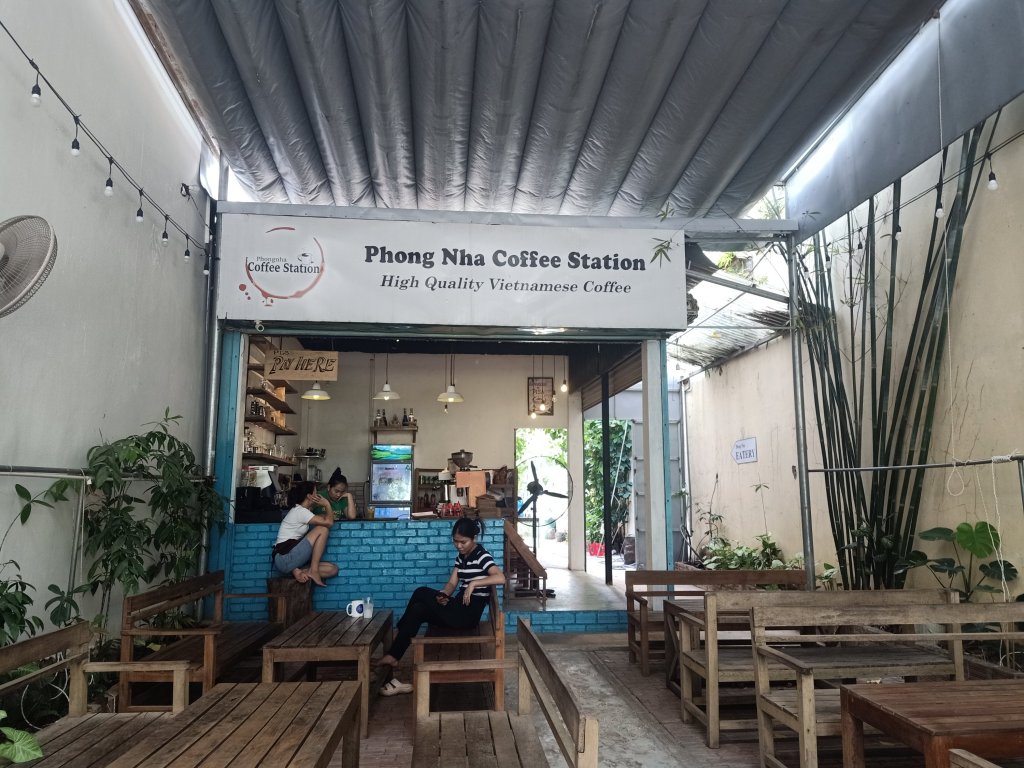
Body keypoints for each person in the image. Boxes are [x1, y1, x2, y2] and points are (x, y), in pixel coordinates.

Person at [375, 517, 505, 696]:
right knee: (418, 610)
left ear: (473, 538)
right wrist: (444, 595)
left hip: (467, 616)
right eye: (455, 541)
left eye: (463, 542)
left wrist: (474, 583)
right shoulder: (462, 556)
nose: (459, 546)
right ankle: (394, 656)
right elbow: (451, 584)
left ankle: (399, 633)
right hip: (457, 607)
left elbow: (500, 577)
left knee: (421, 592)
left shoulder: (482, 555)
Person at [272, 480, 338, 587]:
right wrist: (327, 504)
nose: (318, 495)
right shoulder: (300, 511)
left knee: (332, 569)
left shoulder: (303, 511)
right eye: (316, 493)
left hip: (290, 558)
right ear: (309, 496)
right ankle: (313, 571)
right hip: (284, 558)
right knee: (323, 529)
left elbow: (324, 518)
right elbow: (329, 523)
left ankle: (298, 571)